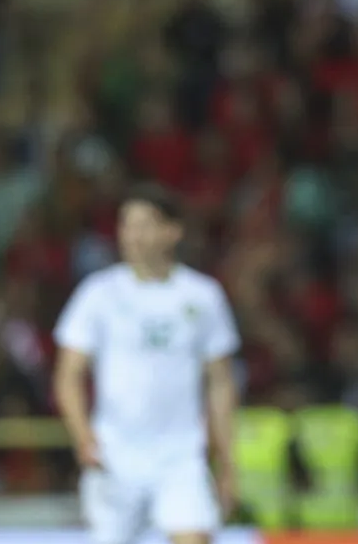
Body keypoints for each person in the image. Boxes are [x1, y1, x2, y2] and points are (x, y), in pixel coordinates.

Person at [53, 184, 240, 544]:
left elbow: (220, 383)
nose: (133, 235)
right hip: (114, 455)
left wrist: (227, 463)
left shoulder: (203, 296)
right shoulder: (98, 294)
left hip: (181, 456)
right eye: (126, 225)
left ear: (173, 231)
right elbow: (68, 374)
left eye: (145, 224)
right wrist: (82, 437)